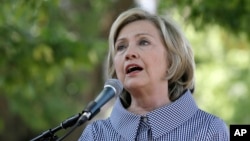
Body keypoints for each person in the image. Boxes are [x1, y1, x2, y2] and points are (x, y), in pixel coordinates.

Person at [78, 8, 229, 141]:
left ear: (172, 58)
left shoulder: (210, 130)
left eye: (143, 42)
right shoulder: (95, 135)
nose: (129, 53)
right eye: (121, 47)